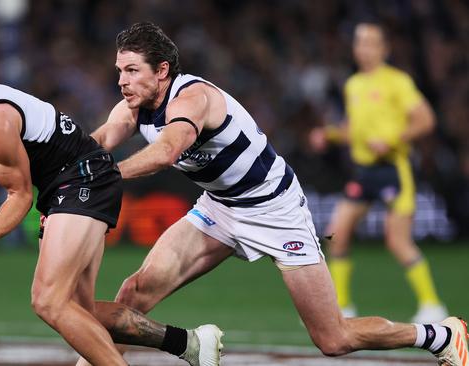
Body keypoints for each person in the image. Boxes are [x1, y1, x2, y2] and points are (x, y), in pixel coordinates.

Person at [78, 22, 467, 365]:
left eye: (132, 70)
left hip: (274, 210)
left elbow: (166, 152)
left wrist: (103, 177)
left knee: (333, 339)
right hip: (219, 207)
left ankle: (442, 336)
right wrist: (67, 171)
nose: (122, 81)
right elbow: (98, 144)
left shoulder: (192, 99)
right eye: (119, 71)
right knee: (134, 291)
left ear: (162, 71)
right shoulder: (133, 106)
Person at [0, 30, 222, 366]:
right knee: (79, 311)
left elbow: (19, 196)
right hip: (61, 187)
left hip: (82, 178)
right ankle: (190, 344)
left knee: (48, 300)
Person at [309, 23, 448, 323]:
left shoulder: (397, 82)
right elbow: (353, 131)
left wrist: (393, 140)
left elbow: (426, 120)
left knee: (397, 241)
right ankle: (341, 307)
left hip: (393, 170)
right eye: (359, 42)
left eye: (370, 43)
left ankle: (432, 305)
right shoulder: (354, 85)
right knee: (337, 233)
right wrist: (330, 135)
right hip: (364, 171)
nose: (363, 48)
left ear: (384, 49)